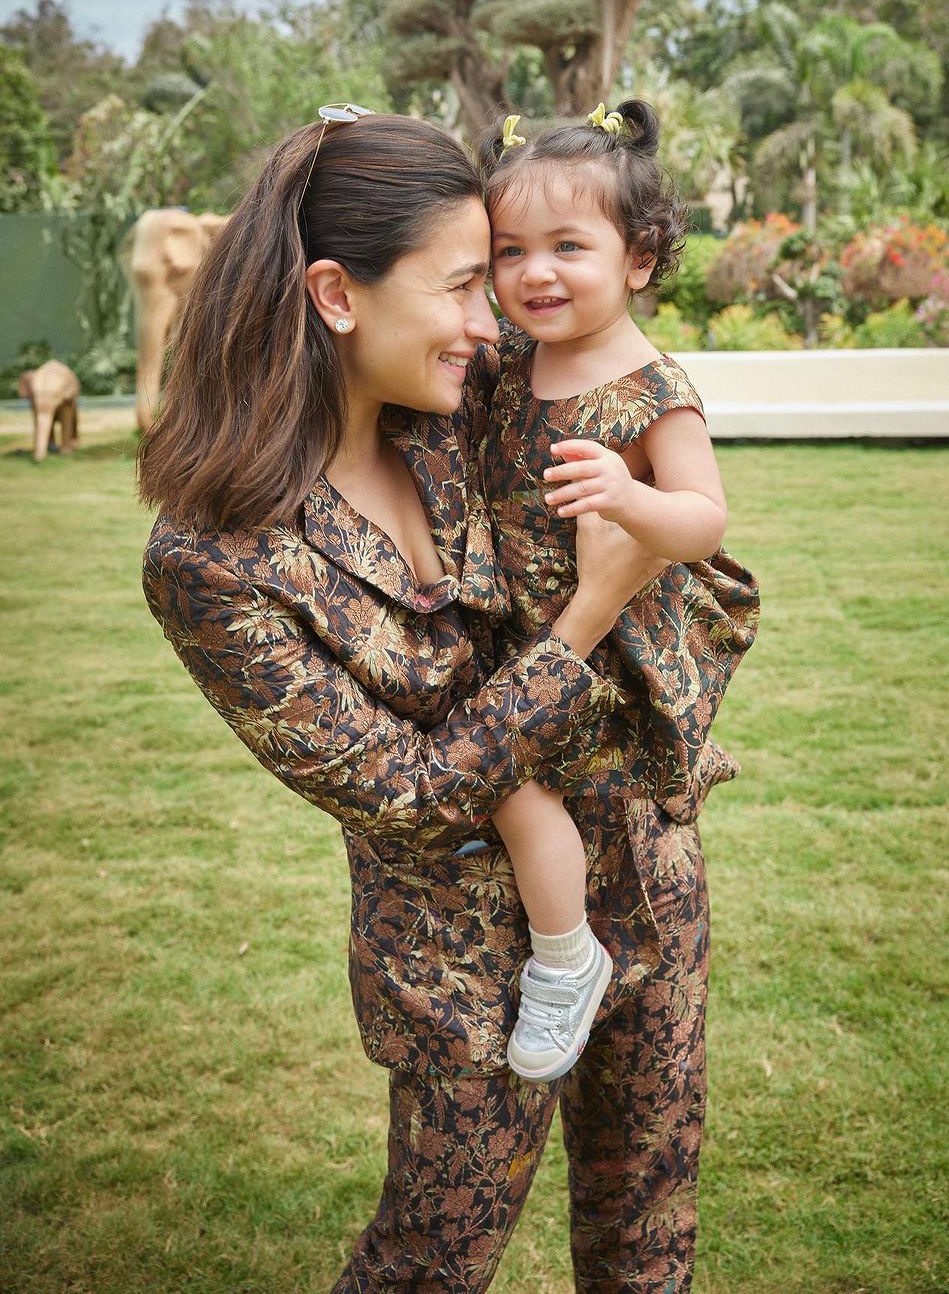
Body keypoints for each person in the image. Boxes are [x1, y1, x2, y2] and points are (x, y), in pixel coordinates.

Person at [137, 104, 722, 1291]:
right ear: (337, 298)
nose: (488, 318)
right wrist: (586, 617)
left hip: (646, 884)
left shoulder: (472, 401)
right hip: (461, 969)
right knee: (431, 1264)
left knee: (647, 1244)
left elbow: (650, 431)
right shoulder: (216, 562)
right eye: (463, 285)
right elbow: (407, 795)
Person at [471, 100, 760, 1084]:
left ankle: (566, 959)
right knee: (509, 776)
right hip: (531, 637)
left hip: (607, 648)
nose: (534, 273)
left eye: (566, 246)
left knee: (514, 783)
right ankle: (566, 948)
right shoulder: (511, 366)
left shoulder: (651, 388)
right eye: (509, 251)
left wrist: (633, 498)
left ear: (637, 258)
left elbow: (705, 521)